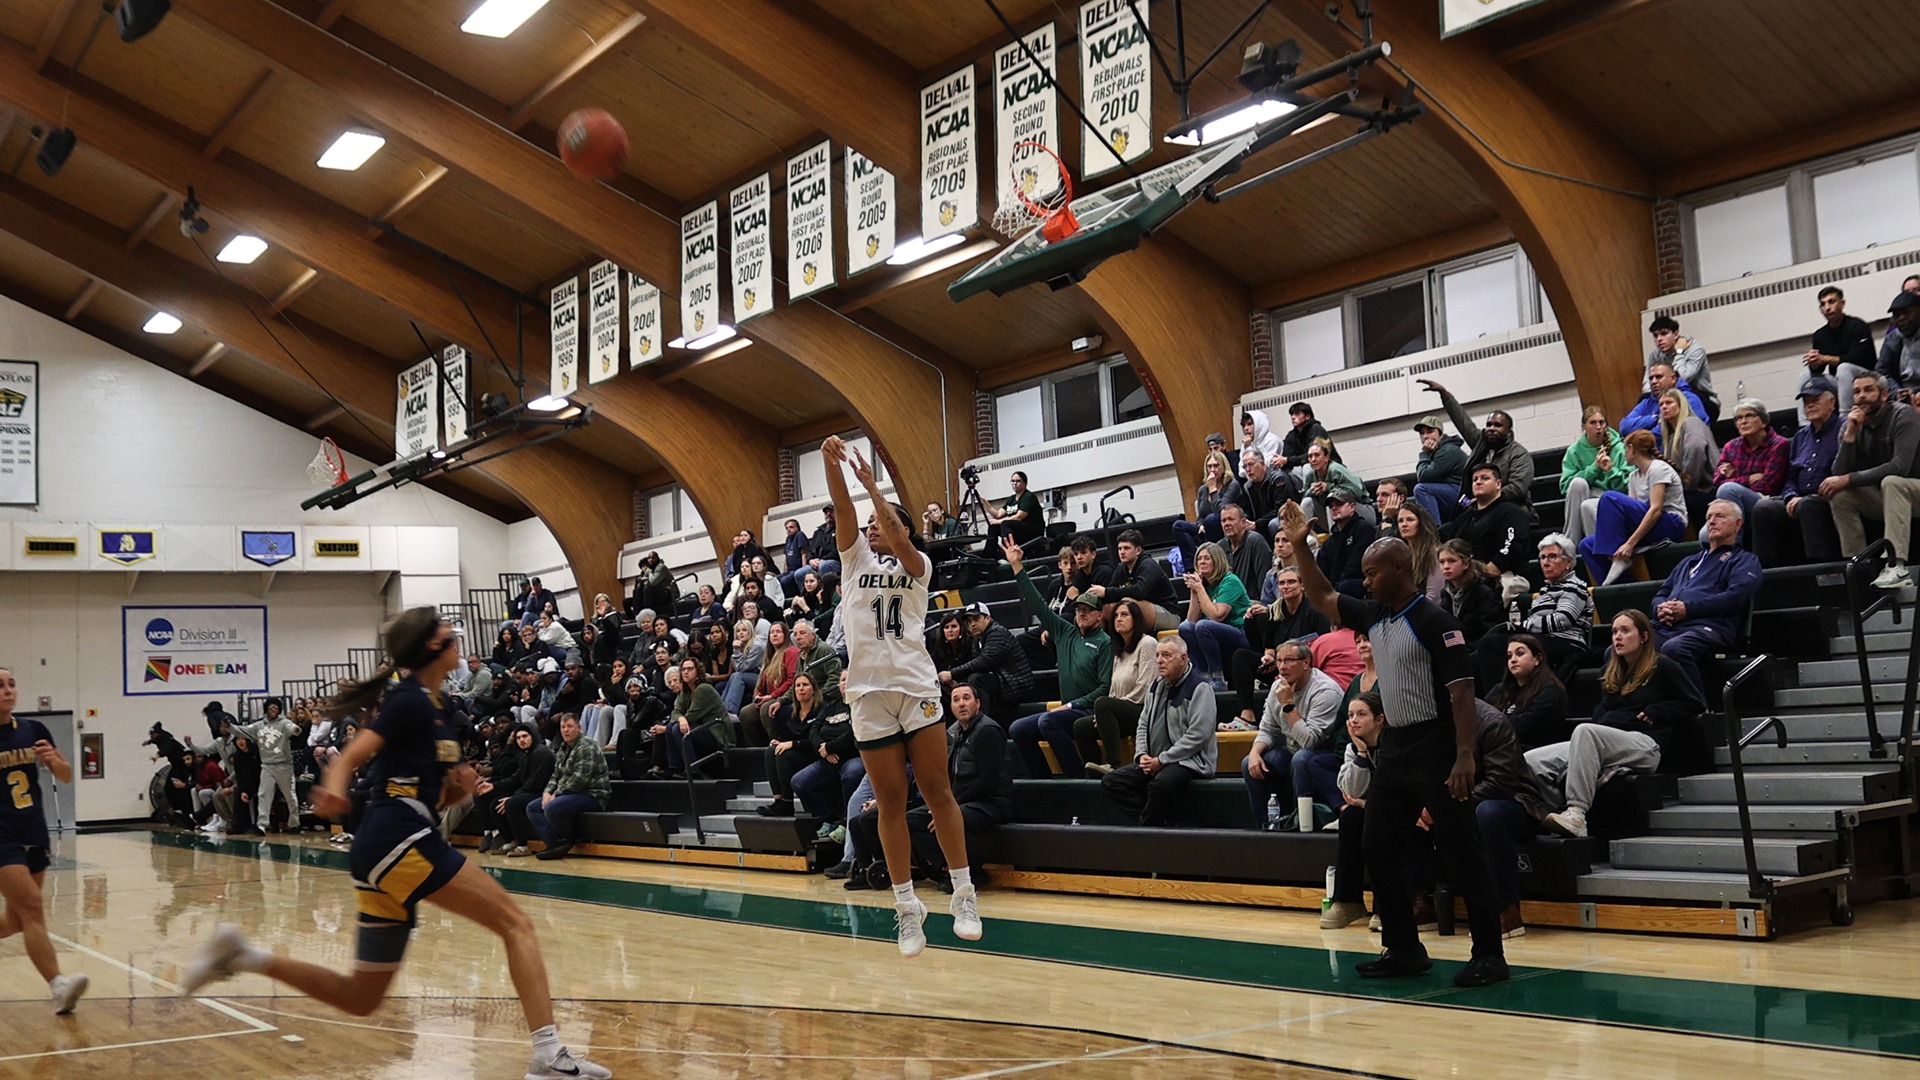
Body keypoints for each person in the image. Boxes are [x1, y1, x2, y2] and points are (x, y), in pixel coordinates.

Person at [181, 610, 610, 1080]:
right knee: (517, 924)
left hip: (386, 846)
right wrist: (337, 787)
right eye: (447, 634)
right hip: (398, 837)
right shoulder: (408, 699)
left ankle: (243, 956)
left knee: (361, 997)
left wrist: (459, 785)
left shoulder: (440, 709)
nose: (455, 637)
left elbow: (440, 791)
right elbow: (354, 751)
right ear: (431, 647)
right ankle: (547, 1054)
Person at [1280, 502, 1509, 987]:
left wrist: (1465, 754)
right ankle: (1404, 947)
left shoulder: (1433, 620)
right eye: (1362, 574)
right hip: (1397, 748)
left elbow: (1463, 690)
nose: (1364, 581)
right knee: (1376, 843)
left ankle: (1490, 954)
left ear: (1400, 568)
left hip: (1437, 745)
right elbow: (1321, 595)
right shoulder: (1376, 615)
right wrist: (1300, 546)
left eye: (1371, 573)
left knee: (1462, 850)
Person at [821, 434, 982, 957]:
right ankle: (907, 907)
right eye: (870, 524)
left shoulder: (919, 567)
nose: (872, 526)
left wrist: (872, 484)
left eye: (882, 522)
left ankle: (963, 892)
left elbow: (892, 527)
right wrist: (834, 467)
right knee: (889, 802)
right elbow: (844, 510)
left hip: (915, 685)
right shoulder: (853, 563)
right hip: (868, 693)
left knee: (937, 790)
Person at [1526, 610, 1703, 839]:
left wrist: (1658, 710)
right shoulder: (1609, 671)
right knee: (1531, 762)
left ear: (1644, 637)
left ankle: (1577, 813)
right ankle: (1556, 815)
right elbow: (1603, 710)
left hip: (1645, 744)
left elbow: (1695, 703)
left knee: (1585, 730)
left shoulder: (1663, 666)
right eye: (1614, 631)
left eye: (1625, 631)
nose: (1617, 637)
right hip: (1608, 741)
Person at [0, 665, 88, 1014]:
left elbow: (65, 776)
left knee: (18, 919)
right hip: (1, 834)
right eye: (0, 685)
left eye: (12, 683)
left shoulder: (34, 729)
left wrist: (55, 760)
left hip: (33, 829)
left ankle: (57, 984)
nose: (8, 690)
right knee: (34, 907)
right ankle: (58, 985)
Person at [1003, 535, 1113, 778]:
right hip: (1067, 710)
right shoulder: (1065, 632)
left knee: (1047, 722)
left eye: (1088, 610)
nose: (1082, 614)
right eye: (1079, 610)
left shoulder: (1105, 642)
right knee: (1018, 728)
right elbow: (1038, 605)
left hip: (1088, 711)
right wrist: (1017, 567)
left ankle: (1076, 778)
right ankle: (1043, 782)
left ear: (1099, 616)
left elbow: (1105, 688)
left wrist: (1072, 705)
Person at [1099, 637, 1217, 826]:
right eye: (1157, 655)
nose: (1160, 660)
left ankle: (1148, 829)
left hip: (1190, 761)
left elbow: (1198, 736)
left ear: (1183, 658)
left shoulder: (1199, 688)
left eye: (1166, 655)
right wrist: (1141, 755)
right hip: (1155, 759)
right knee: (1112, 782)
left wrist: (1162, 760)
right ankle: (1154, 822)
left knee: (1160, 785)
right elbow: (1143, 723)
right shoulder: (1156, 685)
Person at [1653, 500, 1763, 698]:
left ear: (1738, 524)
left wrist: (1688, 609)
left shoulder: (1744, 560)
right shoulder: (1688, 561)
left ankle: (1698, 710)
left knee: (1674, 648)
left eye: (1719, 516)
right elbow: (1662, 593)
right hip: (1669, 627)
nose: (1712, 522)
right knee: (1621, 647)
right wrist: (1660, 608)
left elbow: (1735, 597)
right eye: (1708, 518)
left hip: (1710, 628)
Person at [1826, 371, 1920, 587]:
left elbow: (1900, 467)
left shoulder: (1903, 415)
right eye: (1857, 392)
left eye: (1868, 390)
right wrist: (1850, 434)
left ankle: (1897, 566)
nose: (1861, 396)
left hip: (1913, 489)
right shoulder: (1851, 424)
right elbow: (1839, 474)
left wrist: (1849, 478)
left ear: (1884, 394)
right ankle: (1860, 566)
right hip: (1890, 498)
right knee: (1840, 494)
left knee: (1892, 481)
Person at [1240, 638, 1345, 828]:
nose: (1282, 666)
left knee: (1301, 758)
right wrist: (1255, 752)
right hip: (1293, 749)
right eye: (1278, 661)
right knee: (1249, 762)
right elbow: (1268, 729)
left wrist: (1289, 706)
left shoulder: (1325, 691)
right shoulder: (1277, 687)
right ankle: (1266, 826)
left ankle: (1302, 824)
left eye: (1289, 660)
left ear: (1306, 663)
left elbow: (1310, 742)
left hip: (1324, 755)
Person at [1475, 533, 1593, 690]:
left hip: (1566, 643)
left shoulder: (1574, 586)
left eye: (1552, 557)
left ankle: (1500, 699)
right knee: (1476, 657)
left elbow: (1563, 619)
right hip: (1542, 639)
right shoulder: (1546, 590)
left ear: (1568, 562)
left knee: (1491, 644)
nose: (1546, 562)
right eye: (1543, 558)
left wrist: (1524, 625)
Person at [1750, 375, 1843, 567]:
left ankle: (1820, 570)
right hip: (1799, 498)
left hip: (1829, 496)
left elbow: (1845, 469)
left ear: (1831, 402)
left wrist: (1805, 498)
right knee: (1763, 508)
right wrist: (1791, 496)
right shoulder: (1801, 437)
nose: (1809, 405)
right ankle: (1769, 575)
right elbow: (1790, 477)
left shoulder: (1844, 428)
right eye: (1806, 402)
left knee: (1808, 505)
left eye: (1815, 400)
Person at [1579, 429, 1689, 585]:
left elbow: (1656, 510)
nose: (1623, 454)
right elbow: (1628, 512)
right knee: (1587, 545)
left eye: (1625, 449)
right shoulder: (1633, 476)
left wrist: (1629, 544)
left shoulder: (1658, 468)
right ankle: (1620, 586)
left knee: (1609, 497)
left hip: (1670, 523)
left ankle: (1617, 557)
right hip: (1648, 525)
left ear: (1632, 448)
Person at [1419, 378, 1533, 509]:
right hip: (1481, 509)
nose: (1491, 428)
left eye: (1498, 425)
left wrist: (1486, 498)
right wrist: (1445, 394)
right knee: (1447, 529)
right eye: (1489, 424)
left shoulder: (1519, 454)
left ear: (1508, 431)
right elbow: (1462, 421)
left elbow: (1517, 489)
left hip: (1513, 509)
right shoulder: (1481, 442)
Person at [1078, 601, 1159, 775]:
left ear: (1136, 619)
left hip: (1144, 710)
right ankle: (1093, 773)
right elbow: (1113, 689)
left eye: (1124, 615)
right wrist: (1106, 713)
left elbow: (1145, 687)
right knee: (1080, 726)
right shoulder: (1119, 650)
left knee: (1103, 704)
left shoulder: (1148, 644)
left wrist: (1111, 708)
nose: (1118, 619)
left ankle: (1113, 765)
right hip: (1121, 711)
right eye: (1115, 616)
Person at [525, 713, 610, 861]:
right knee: (533, 807)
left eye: (569, 726)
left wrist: (556, 795)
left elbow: (579, 780)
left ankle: (565, 840)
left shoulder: (586, 746)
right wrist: (547, 792)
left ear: (579, 728)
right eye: (563, 727)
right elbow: (555, 776)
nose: (566, 730)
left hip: (592, 794)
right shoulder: (563, 747)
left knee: (552, 807)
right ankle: (555, 844)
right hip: (569, 794)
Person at [1441, 464, 1532, 603]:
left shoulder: (1511, 512)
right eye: (1475, 479)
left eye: (1485, 478)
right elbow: (1451, 547)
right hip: (1468, 578)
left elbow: (1512, 548)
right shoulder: (1464, 518)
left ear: (1498, 484)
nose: (1478, 482)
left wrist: (1482, 575)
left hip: (1505, 576)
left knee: (1483, 593)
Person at [1177, 541, 1252, 689]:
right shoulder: (1204, 585)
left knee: (1203, 626)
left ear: (1217, 561)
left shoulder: (1230, 581)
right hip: (1213, 633)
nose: (1202, 562)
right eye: (1199, 559)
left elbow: (1217, 616)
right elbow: (1191, 620)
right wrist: (1194, 591)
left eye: (1207, 558)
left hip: (1240, 632)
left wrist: (1199, 589)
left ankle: (1218, 678)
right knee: (1185, 627)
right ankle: (1203, 677)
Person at [942, 603, 1032, 722]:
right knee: (962, 686)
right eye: (969, 621)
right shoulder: (977, 639)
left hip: (1016, 685)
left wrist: (952, 674)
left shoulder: (997, 633)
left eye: (976, 619)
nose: (972, 624)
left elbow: (984, 661)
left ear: (988, 618)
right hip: (1002, 682)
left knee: (977, 680)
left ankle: (980, 724)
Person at [1560, 405, 1632, 549]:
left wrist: (1610, 471)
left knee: (1587, 505)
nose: (1598, 427)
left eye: (1601, 422)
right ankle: (1570, 545)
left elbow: (1628, 484)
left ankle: (1594, 547)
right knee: (1578, 483)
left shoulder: (1619, 448)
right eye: (1593, 423)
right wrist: (1593, 468)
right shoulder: (1574, 451)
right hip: (1585, 494)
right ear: (1584, 427)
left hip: (1611, 496)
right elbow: (1565, 487)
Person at [1484, 634, 1572, 750]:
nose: (1513, 660)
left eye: (1520, 654)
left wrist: (1493, 723)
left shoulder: (1551, 690)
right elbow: (1480, 715)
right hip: (1504, 748)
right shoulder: (1501, 689)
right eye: (1509, 656)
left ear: (1537, 659)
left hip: (1537, 751)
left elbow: (1525, 726)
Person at [1086, 528, 1180, 631]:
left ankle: (1133, 642)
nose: (1122, 552)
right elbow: (1110, 592)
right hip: (1143, 609)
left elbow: (1139, 591)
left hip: (1168, 614)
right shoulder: (1122, 568)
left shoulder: (1149, 565)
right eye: (1119, 549)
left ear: (1138, 550)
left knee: (1128, 603)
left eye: (1126, 548)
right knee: (1104, 609)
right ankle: (1105, 644)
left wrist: (1106, 592)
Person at [1805, 285, 1877, 413]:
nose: (1827, 307)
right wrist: (1814, 363)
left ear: (1842, 304)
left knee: (1844, 368)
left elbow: (1858, 358)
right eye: (1823, 304)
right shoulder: (1820, 335)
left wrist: (1825, 358)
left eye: (1831, 302)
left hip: (1866, 378)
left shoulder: (1857, 326)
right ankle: (1804, 423)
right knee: (1805, 376)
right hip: (1839, 382)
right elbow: (1819, 370)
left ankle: (1845, 416)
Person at [234, 699, 300, 834]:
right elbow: (243, 730)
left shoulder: (284, 723)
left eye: (276, 708)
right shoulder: (258, 726)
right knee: (263, 794)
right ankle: (262, 825)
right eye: (271, 708)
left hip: (284, 765)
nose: (273, 710)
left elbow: (293, 729)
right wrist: (229, 726)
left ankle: (294, 823)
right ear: (266, 710)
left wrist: (296, 730)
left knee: (290, 796)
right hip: (267, 765)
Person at [1656, 387, 1719, 523]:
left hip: (1707, 489)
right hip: (1690, 490)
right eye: (1661, 404)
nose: (1664, 407)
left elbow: (1696, 450)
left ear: (1680, 405)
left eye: (1669, 403)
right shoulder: (1670, 436)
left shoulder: (1691, 423)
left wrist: (1686, 484)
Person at [1172, 450, 1237, 571]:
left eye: (1216, 466)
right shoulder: (1203, 489)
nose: (1212, 470)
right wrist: (1200, 524)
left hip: (1223, 527)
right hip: (1206, 529)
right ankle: (1192, 568)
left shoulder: (1232, 485)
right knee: (1178, 526)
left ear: (1223, 467)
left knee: (1212, 519)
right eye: (1209, 466)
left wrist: (1213, 489)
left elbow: (1221, 512)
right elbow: (1201, 515)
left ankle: (1212, 558)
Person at [1645, 315, 1718, 420]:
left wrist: (1679, 352)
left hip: (1701, 398)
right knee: (1645, 399)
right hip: (1668, 397)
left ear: (1676, 334)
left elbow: (1682, 379)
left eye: (1664, 334)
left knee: (1680, 396)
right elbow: (1647, 385)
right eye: (1655, 336)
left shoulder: (1695, 350)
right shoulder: (1654, 356)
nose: (1659, 339)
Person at [1437, 539, 1502, 645]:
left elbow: (1491, 633)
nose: (1446, 566)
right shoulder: (1446, 593)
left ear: (1466, 564)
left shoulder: (1483, 591)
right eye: (1442, 562)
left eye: (1452, 561)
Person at [1619, 361, 1709, 438]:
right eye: (1651, 378)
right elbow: (1624, 426)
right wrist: (1655, 418)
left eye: (1658, 377)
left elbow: (1663, 433)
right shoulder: (1647, 402)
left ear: (1673, 378)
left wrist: (1639, 433)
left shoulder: (1688, 399)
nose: (1653, 381)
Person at [1296, 439, 1371, 528]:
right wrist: (1313, 490)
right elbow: (1305, 494)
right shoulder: (1311, 474)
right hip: (1333, 516)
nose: (1313, 459)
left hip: (1362, 512)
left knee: (1332, 500)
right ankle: (1304, 536)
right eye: (1310, 456)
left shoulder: (1335, 470)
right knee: (1307, 502)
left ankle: (1337, 536)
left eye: (1317, 455)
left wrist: (1328, 487)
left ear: (1327, 457)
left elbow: (1357, 491)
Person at [1411, 414, 1468, 524]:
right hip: (1454, 494)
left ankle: (1433, 534)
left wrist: (1424, 453)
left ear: (1440, 434)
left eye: (1430, 431)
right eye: (1422, 433)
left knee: (1421, 490)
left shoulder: (1447, 450)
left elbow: (1424, 477)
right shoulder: (1438, 451)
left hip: (1464, 498)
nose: (1425, 436)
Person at [1316, 492, 1370, 597]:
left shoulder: (1364, 529)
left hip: (1359, 588)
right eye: (1331, 506)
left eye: (1339, 504)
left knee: (1346, 586)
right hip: (1336, 592)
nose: (1334, 508)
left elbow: (1355, 565)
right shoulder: (1329, 542)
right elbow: (1321, 572)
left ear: (1352, 507)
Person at [980, 470, 1042, 556]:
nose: (1014, 483)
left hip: (1032, 529)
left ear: (1025, 483)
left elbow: (1019, 517)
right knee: (994, 527)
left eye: (1018, 481)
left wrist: (999, 521)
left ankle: (1007, 553)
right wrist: (984, 502)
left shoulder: (1028, 497)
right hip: (1017, 529)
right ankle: (989, 553)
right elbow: (998, 514)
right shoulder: (1012, 499)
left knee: (1005, 524)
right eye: (1012, 481)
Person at [1219, 503, 1273, 596]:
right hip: (1228, 604)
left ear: (1243, 522)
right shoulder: (1220, 547)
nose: (1227, 524)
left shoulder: (1256, 541)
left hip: (1252, 604)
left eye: (1231, 519)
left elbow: (1264, 580)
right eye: (1223, 521)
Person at [1275, 401, 1337, 472]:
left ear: (1307, 416)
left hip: (1330, 468)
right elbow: (1286, 457)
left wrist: (1287, 460)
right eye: (1292, 415)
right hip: (1311, 470)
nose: (1293, 417)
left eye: (1297, 414)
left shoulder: (1316, 429)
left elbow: (1314, 456)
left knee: (1307, 468)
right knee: (1286, 472)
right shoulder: (1291, 435)